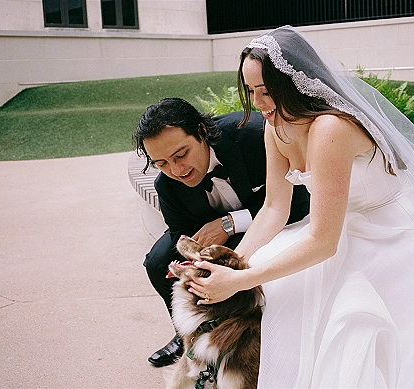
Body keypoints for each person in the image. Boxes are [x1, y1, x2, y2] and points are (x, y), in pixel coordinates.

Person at [186, 26, 414, 388]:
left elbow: (323, 242)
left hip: (396, 234)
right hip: (341, 228)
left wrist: (242, 280)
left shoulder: (329, 129)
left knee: (339, 315)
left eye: (265, 91)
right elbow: (274, 208)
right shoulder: (277, 128)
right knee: (270, 278)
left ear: (291, 83)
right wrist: (230, 264)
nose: (258, 104)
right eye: (251, 91)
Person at [133, 97, 310, 367]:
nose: (176, 170)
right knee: (158, 262)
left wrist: (229, 224)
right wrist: (195, 262)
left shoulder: (253, 136)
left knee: (245, 257)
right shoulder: (166, 186)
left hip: (279, 219)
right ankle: (189, 333)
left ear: (202, 131)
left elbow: (299, 202)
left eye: (181, 155)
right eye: (162, 163)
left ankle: (249, 335)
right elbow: (184, 235)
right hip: (213, 234)